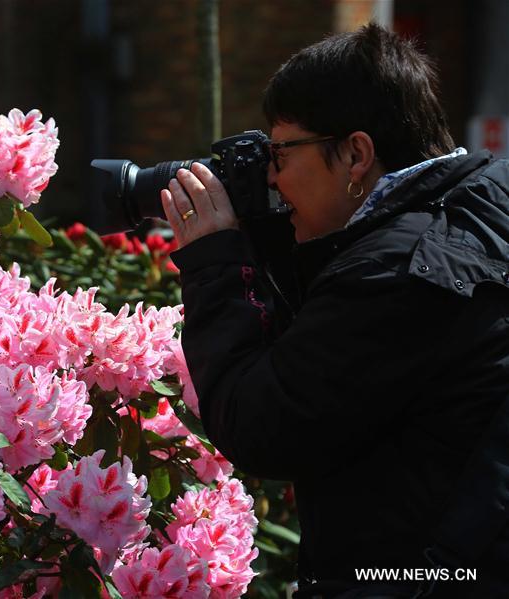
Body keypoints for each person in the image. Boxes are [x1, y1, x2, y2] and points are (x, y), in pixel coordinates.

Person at [161, 23, 509, 599]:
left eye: (280, 154)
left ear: (355, 153)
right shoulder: (482, 207)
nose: (270, 177)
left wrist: (215, 264)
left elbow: (259, 425)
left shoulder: (397, 275)